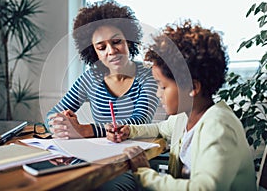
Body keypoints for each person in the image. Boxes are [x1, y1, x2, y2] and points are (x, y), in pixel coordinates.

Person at [106, 21, 257, 190]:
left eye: (163, 86)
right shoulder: (185, 118)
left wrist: (145, 173)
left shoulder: (218, 126)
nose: (158, 93)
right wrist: (129, 131)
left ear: (192, 87)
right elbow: (160, 129)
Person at [45, 0, 159, 140]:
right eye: (101, 47)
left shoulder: (150, 75)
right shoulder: (90, 78)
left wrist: (84, 130)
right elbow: (51, 115)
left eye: (116, 42)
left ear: (128, 41)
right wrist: (61, 124)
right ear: (94, 52)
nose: (111, 51)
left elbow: (140, 121)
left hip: (137, 153)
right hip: (101, 153)